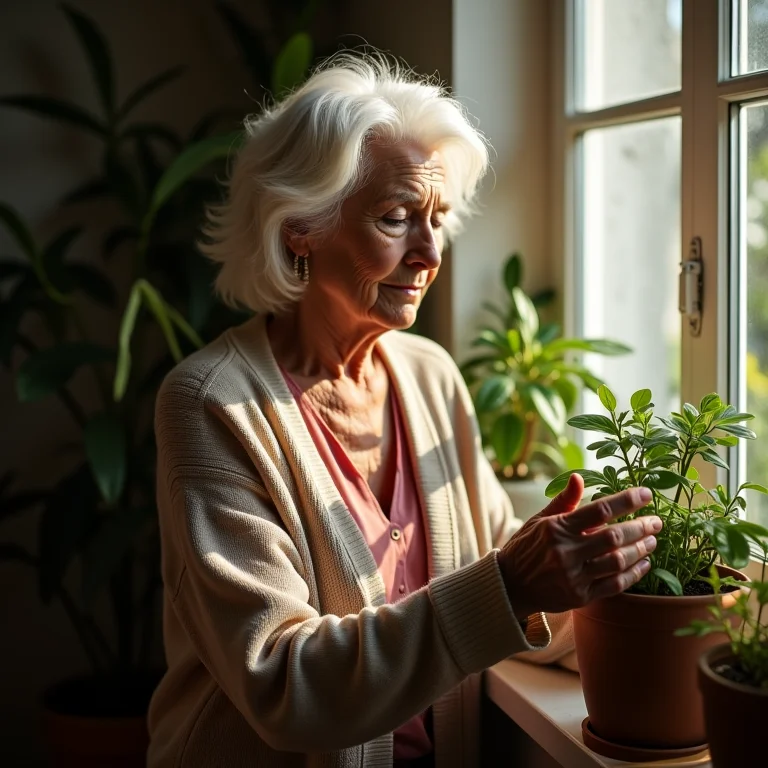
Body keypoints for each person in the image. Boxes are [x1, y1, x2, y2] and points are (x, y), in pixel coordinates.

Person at [147, 54, 661, 768]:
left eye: (437, 220)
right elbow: (283, 682)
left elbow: (503, 589)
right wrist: (512, 584)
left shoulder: (430, 377)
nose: (428, 254)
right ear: (301, 227)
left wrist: (609, 580)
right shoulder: (211, 404)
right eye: (396, 219)